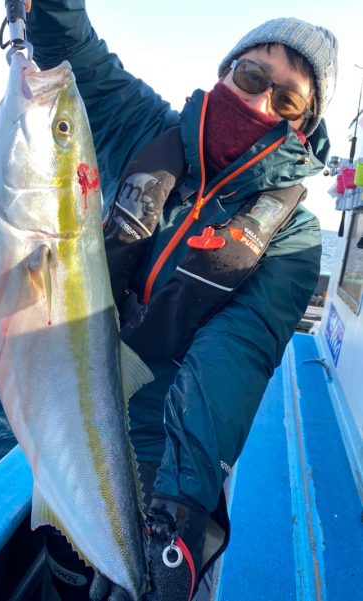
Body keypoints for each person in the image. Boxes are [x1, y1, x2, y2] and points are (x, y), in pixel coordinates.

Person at [25, 2, 338, 600]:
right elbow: (73, 50)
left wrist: (181, 505)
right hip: (70, 397)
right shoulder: (145, 127)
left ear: (304, 123)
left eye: (288, 100)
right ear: (225, 72)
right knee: (64, 569)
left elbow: (234, 358)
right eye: (251, 77)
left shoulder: (292, 233)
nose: (259, 103)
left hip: (163, 442)